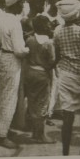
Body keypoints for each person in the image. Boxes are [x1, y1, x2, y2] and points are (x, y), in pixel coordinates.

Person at [53, 0, 80, 155]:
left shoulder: (57, 31)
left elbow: (57, 57)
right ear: (77, 14)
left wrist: (51, 65)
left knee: (68, 115)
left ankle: (65, 152)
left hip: (65, 74)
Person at [0, 0, 29, 149]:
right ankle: (2, 135)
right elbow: (19, 50)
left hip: (2, 56)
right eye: (20, 3)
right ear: (15, 4)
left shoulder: (1, 18)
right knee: (9, 97)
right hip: (12, 59)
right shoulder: (14, 22)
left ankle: (3, 129)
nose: (22, 5)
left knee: (3, 95)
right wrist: (29, 48)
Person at [24, 15, 56, 143]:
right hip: (42, 74)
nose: (50, 26)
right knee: (42, 104)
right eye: (48, 24)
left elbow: (26, 56)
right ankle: (40, 135)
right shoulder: (49, 43)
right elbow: (52, 60)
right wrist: (47, 67)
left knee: (32, 102)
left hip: (30, 72)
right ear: (44, 27)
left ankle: (34, 133)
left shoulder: (30, 40)